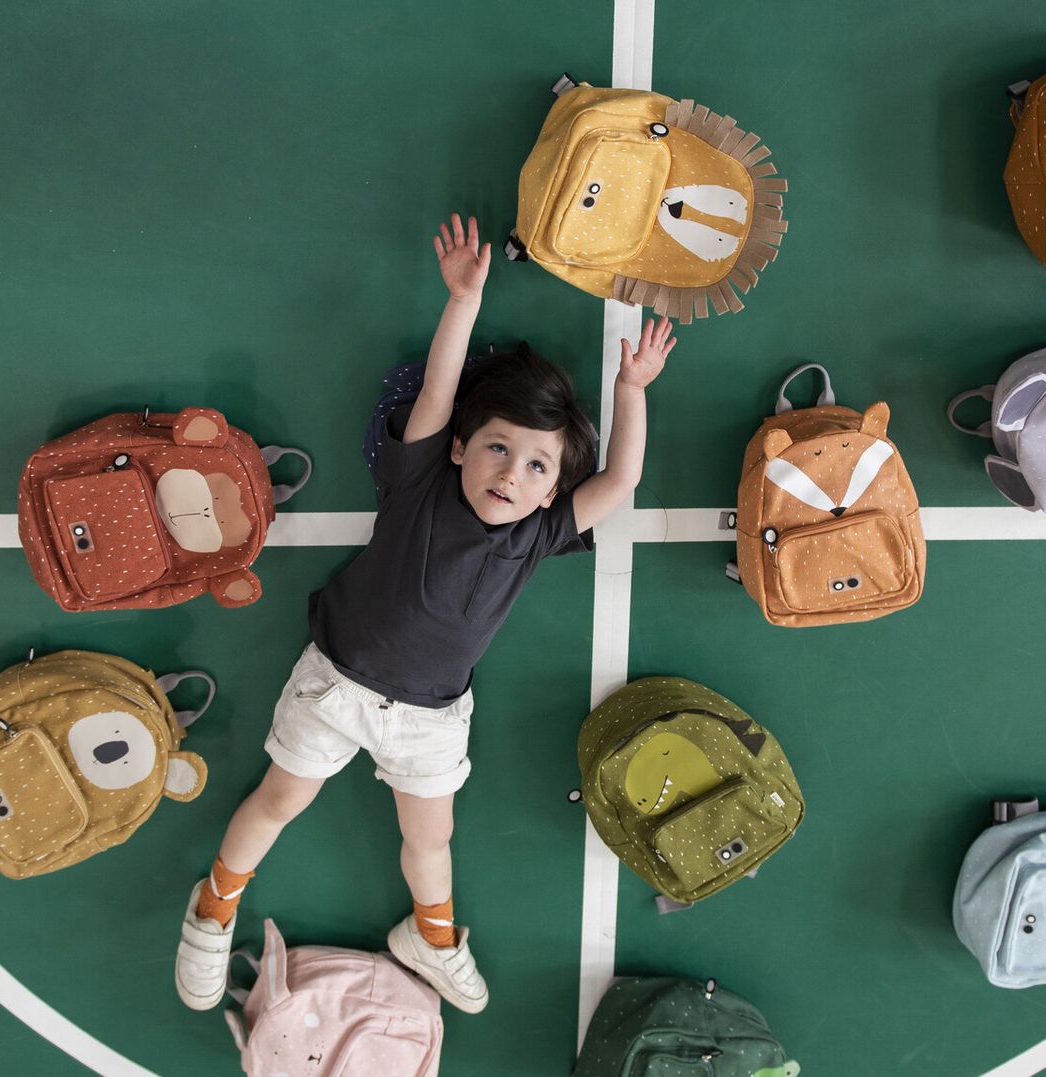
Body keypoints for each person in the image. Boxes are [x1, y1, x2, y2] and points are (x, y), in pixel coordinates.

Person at [174, 213, 675, 1013]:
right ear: (457, 448)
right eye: (498, 448)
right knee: (278, 800)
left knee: (431, 839)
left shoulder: (542, 532)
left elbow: (617, 484)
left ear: (552, 490)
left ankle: (432, 937)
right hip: (335, 683)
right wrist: (464, 301)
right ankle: (211, 910)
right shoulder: (415, 482)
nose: (512, 473)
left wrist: (631, 389)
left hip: (432, 719)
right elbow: (441, 388)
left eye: (538, 464)